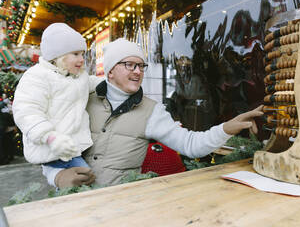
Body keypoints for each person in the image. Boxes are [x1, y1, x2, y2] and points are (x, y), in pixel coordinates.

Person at [42, 38, 264, 188]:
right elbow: (46, 142)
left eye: (141, 66)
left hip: (122, 209)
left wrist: (226, 128)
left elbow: (190, 144)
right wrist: (57, 176)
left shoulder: (152, 111)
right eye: (130, 65)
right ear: (110, 71)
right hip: (74, 206)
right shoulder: (80, 100)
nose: (138, 72)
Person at [12, 23, 101, 171]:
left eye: (82, 54)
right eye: (75, 54)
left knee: (79, 188)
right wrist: (50, 137)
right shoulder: (37, 76)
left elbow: (90, 84)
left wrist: (113, 82)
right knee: (84, 182)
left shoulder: (77, 76)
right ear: (59, 56)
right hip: (52, 150)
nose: (81, 59)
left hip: (72, 149)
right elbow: (27, 111)